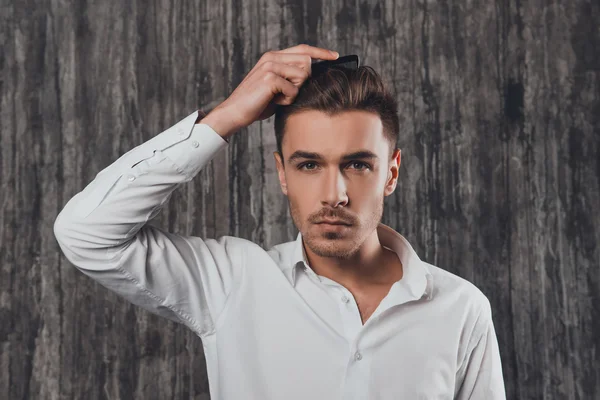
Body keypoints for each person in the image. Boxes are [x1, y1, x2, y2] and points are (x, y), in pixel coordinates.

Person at [53, 44, 506, 399]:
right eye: (309, 165)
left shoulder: (462, 310)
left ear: (391, 172)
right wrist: (227, 116)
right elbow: (85, 233)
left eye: (358, 165)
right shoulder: (232, 283)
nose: (334, 195)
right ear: (281, 172)